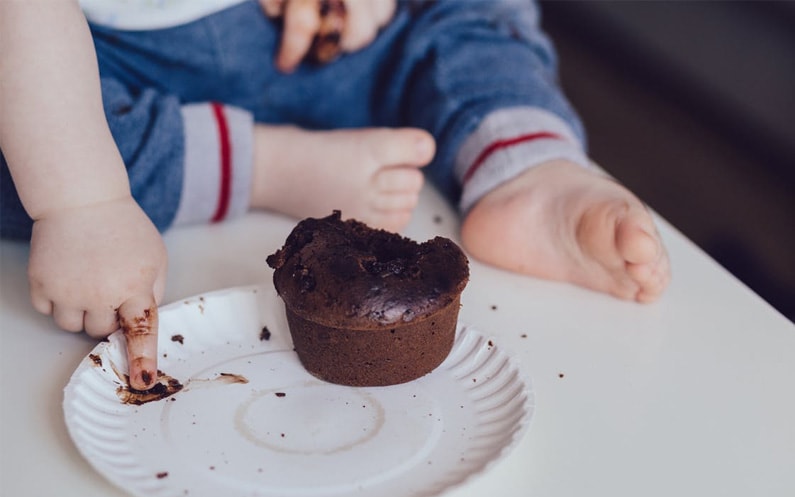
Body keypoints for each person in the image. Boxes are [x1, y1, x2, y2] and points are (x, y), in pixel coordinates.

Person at [0, 0, 670, 390]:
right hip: (94, 74)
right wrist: (82, 202)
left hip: (333, 40)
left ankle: (522, 163)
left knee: (468, 13)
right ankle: (266, 163)